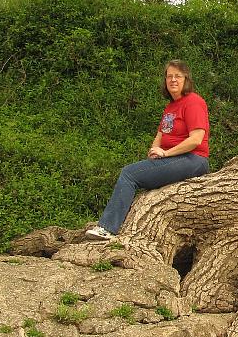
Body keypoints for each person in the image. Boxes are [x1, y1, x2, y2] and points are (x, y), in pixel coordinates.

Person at [85, 60, 210, 240]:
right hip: (174, 159)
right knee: (140, 172)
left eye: (177, 76)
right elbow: (161, 133)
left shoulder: (193, 102)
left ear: (186, 79)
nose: (173, 80)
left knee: (129, 174)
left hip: (193, 159)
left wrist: (165, 153)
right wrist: (154, 150)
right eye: (169, 76)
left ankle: (108, 229)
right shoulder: (171, 106)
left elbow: (195, 140)